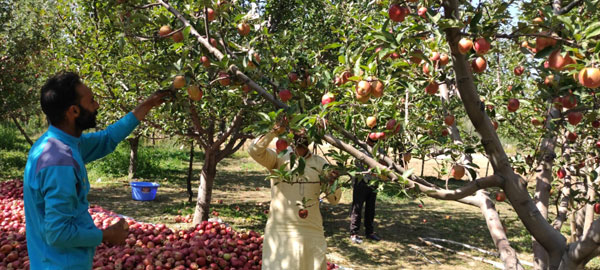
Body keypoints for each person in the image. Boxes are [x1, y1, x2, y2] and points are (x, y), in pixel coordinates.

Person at [23, 71, 170, 269]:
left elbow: (107, 138)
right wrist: (106, 235)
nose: (97, 106)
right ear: (74, 111)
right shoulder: (59, 162)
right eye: (91, 101)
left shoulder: (58, 144)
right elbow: (58, 233)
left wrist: (146, 106)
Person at [248, 122, 342, 270]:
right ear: (291, 133)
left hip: (311, 232)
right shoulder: (279, 157)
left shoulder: (320, 164)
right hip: (281, 231)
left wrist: (333, 182)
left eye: (306, 129)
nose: (302, 132)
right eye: (299, 128)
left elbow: (334, 200)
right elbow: (254, 150)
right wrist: (273, 131)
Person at [349, 136, 382, 244]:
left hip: (373, 182)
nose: (373, 142)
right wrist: (369, 169)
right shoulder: (360, 150)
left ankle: (369, 232)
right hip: (361, 181)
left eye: (375, 140)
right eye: (372, 140)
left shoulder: (379, 150)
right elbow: (357, 164)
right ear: (367, 138)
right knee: (357, 208)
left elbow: (383, 164)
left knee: (370, 208)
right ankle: (354, 233)